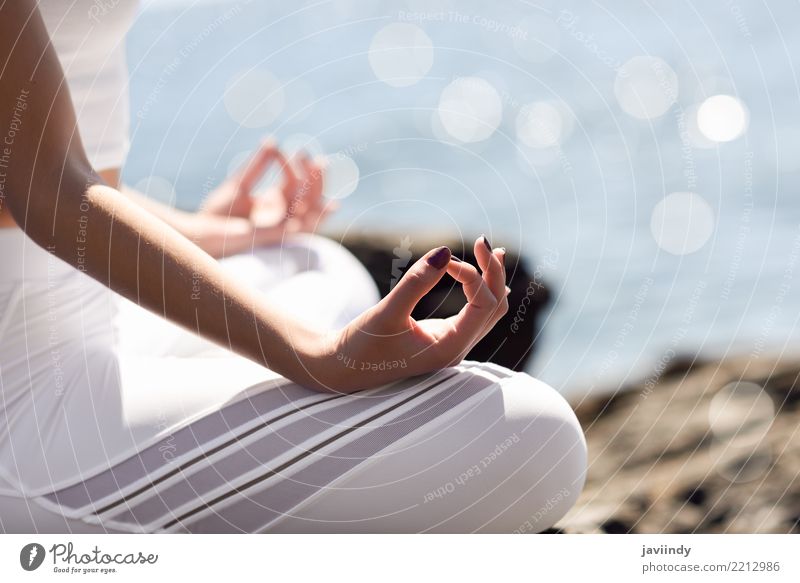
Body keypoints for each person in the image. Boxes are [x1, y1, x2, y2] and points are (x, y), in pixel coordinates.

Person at [0, 0, 586, 533]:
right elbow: (47, 190)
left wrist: (211, 234)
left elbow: (56, 172)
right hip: (23, 413)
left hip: (98, 323)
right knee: (538, 442)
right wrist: (318, 356)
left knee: (313, 264)